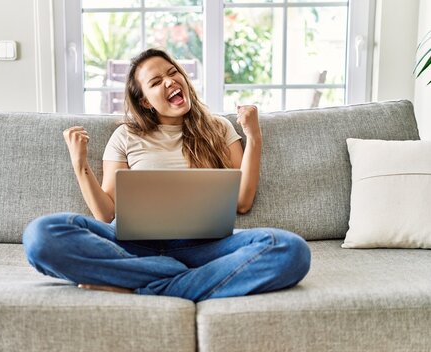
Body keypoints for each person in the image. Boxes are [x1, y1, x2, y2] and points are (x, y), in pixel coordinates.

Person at [22, 48, 310, 302]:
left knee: (289, 249)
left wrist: (254, 137)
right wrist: (80, 164)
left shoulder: (218, 127)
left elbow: (243, 202)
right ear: (145, 101)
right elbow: (107, 215)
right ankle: (179, 276)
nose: (170, 81)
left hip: (205, 248)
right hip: (132, 248)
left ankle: (144, 287)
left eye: (173, 73)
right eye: (156, 82)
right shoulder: (125, 135)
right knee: (41, 235)